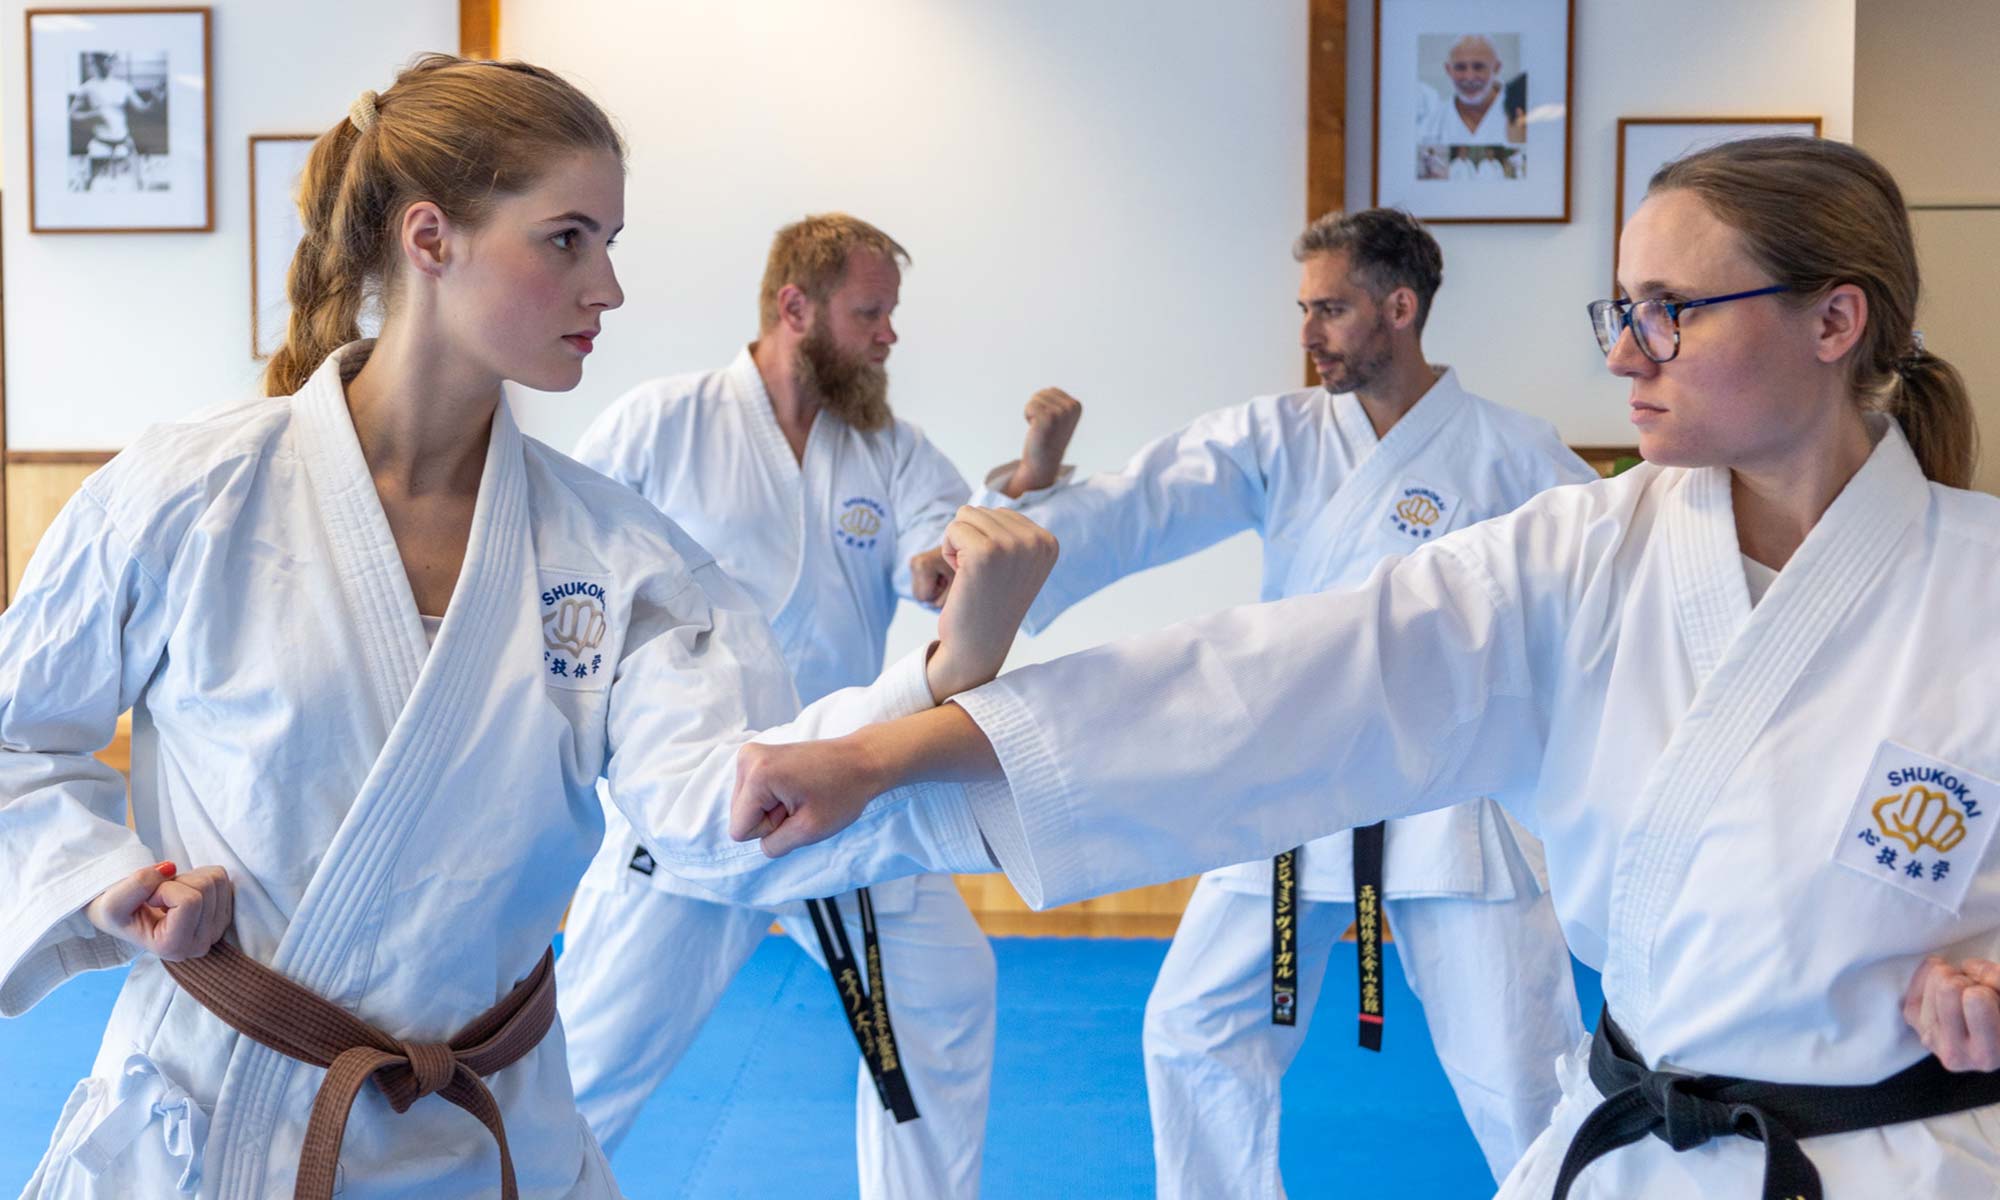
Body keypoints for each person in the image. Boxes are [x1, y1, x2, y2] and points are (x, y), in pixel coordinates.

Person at [732, 136, 2000, 1198]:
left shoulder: (1973, 584)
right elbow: (1264, 680)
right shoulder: (1573, 555)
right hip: (1636, 1146)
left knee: (1505, 1070)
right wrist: (883, 752)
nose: (1622, 353)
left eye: (1666, 312)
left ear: (1833, 320)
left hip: (1903, 1161)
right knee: (1195, 1033)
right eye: (1617, 310)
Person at [1, 55, 1049, 1198]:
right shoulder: (189, 495)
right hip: (218, 1126)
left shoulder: (614, 552)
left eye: (609, 244)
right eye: (567, 240)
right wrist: (105, 876)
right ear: (430, 238)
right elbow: (18, 735)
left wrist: (947, 670)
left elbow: (716, 808)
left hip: (482, 1130)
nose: (607, 288)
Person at [946, 206, 1591, 1192]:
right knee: (1193, 1030)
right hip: (1298, 783)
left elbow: (1605, 583)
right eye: (1303, 308)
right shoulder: (1276, 435)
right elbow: (1141, 501)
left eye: (1329, 309)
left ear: (1400, 308)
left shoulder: (1511, 454)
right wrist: (1010, 527)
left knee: (1526, 1073)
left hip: (1445, 799)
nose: (1307, 332)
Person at [556, 214, 994, 1198]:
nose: (888, 336)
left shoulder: (886, 447)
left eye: (889, 314)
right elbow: (566, 578)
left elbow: (940, 534)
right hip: (691, 806)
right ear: (794, 308)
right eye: (868, 312)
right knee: (579, 1080)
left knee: (944, 995)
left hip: (842, 795)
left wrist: (942, 563)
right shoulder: (658, 422)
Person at [1415, 36, 1517, 146]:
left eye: (1478, 67)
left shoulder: (1520, 113)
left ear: (1496, 68)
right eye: (1460, 67)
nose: (1469, 77)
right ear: (1448, 70)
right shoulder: (1430, 125)